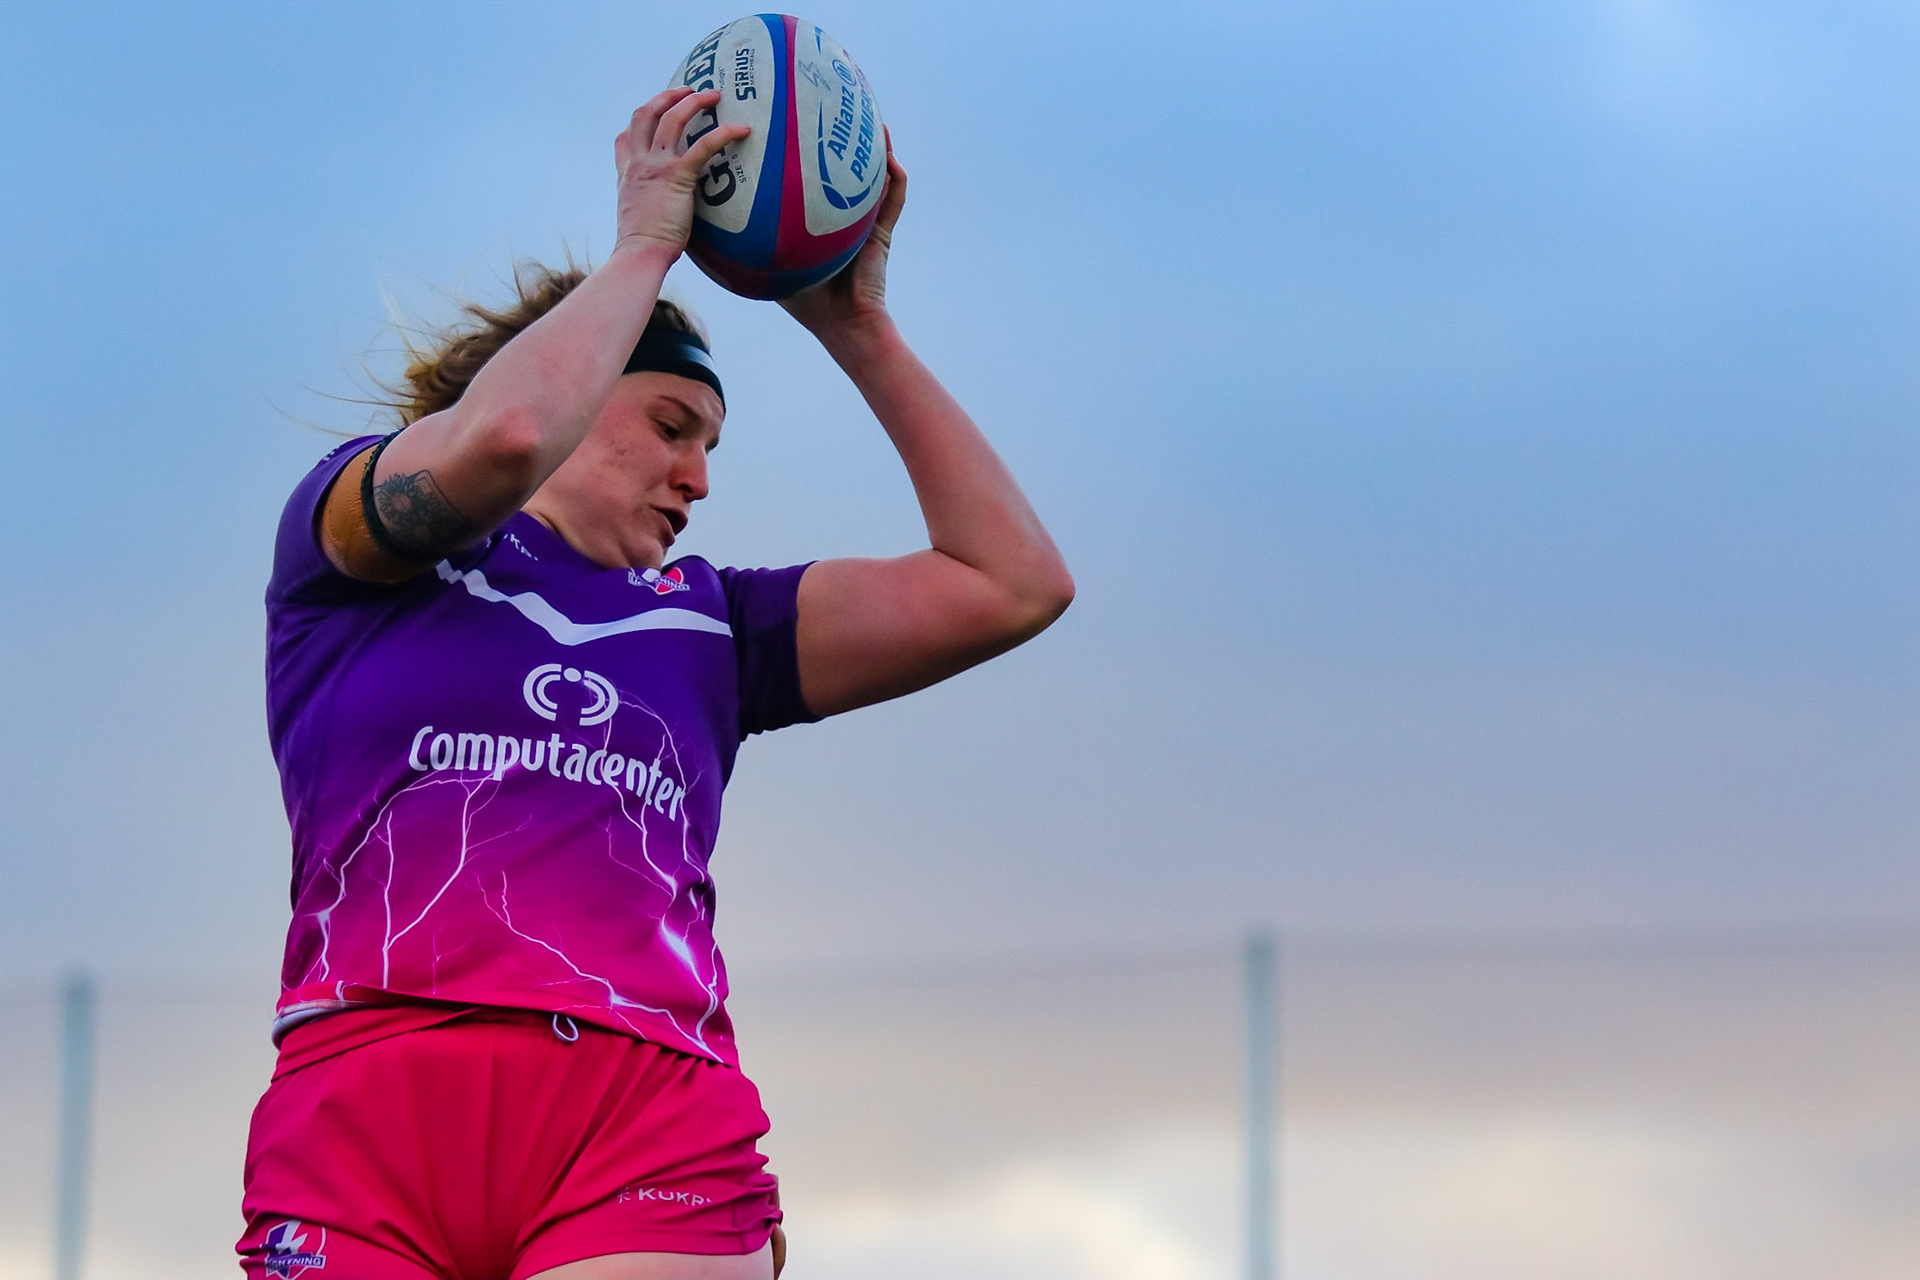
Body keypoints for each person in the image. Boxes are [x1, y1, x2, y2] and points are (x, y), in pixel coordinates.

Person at [236, 86, 1073, 1280]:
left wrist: (858, 328)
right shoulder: (357, 553)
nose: (699, 476)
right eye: (673, 425)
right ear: (578, 391)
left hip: (638, 1118)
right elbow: (505, 438)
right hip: (362, 1112)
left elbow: (1013, 582)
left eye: (712, 444)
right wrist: (644, 247)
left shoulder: (713, 625)